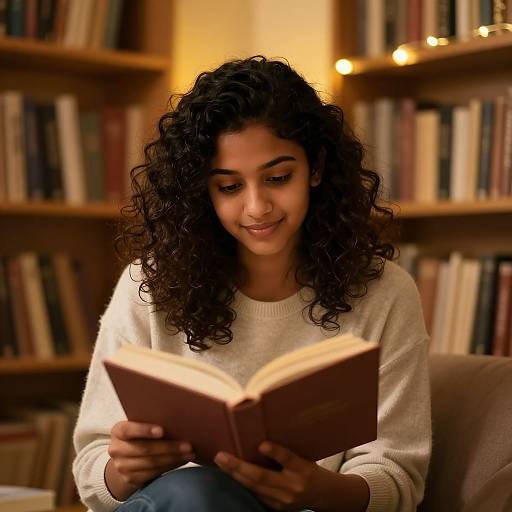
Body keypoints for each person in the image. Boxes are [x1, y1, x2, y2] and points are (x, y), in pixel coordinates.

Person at [72, 55, 432, 512]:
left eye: (278, 178)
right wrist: (123, 468)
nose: (257, 207)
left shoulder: (385, 293)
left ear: (316, 167)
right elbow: (92, 473)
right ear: (202, 190)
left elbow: (398, 476)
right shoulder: (149, 284)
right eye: (229, 187)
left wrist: (318, 490)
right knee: (194, 492)